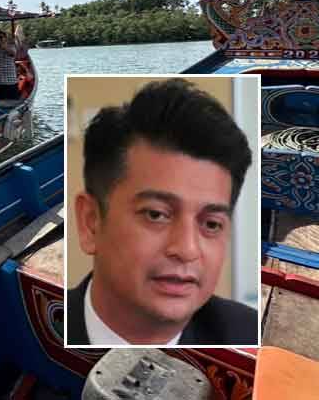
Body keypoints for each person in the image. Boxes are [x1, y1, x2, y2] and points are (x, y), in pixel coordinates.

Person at [67, 79, 257, 346]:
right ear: (91, 222)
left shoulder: (248, 336)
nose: (187, 249)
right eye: (156, 214)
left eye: (212, 224)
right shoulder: (36, 331)